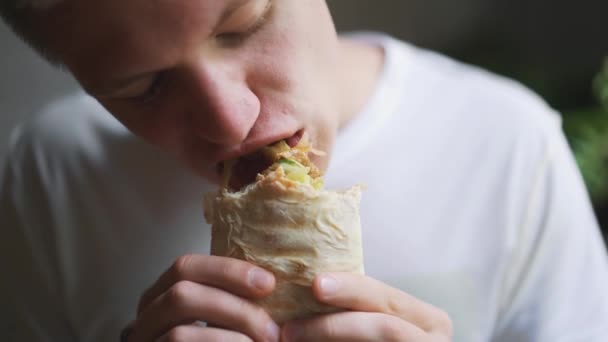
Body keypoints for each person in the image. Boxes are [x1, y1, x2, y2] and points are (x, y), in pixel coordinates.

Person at [1, 0, 607, 341]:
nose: (232, 121)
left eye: (243, 27)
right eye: (144, 87)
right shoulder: (51, 173)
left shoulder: (510, 145)